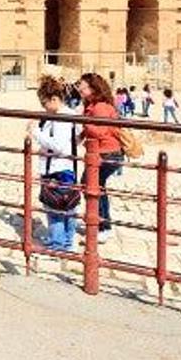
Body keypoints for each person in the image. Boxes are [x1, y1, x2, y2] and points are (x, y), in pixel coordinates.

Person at [29, 76, 78, 251]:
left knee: (55, 207)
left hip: (57, 169)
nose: (44, 108)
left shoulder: (61, 118)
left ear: (54, 99)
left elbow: (59, 146)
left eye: (45, 104)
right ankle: (65, 241)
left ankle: (60, 243)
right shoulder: (68, 115)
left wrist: (35, 133)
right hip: (65, 167)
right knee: (67, 206)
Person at [77, 72, 123, 243]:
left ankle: (103, 226)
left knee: (92, 186)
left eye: (82, 86)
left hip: (108, 153)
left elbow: (101, 130)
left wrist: (83, 122)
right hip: (102, 152)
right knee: (96, 187)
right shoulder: (93, 105)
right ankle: (100, 223)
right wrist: (82, 134)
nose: (79, 88)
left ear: (93, 88)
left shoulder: (100, 107)